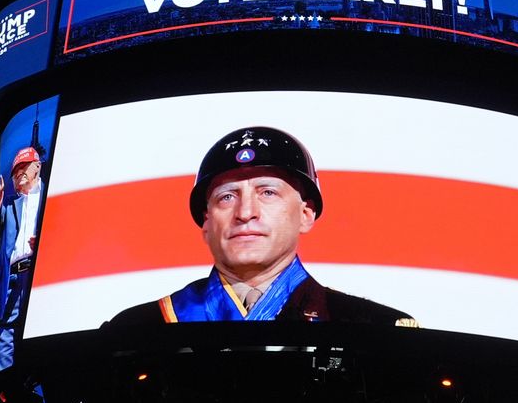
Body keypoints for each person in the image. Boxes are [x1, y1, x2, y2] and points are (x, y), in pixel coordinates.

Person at [106, 126, 414, 326]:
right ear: (206, 223)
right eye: (226, 197)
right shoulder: (136, 329)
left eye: (268, 192)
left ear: (306, 214)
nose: (246, 212)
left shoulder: (374, 329)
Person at [0, 145, 44, 369]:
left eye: (25, 166)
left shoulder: (51, 197)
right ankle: (6, 381)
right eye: (15, 170)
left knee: (42, 327)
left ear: (38, 167)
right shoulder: (9, 206)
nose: (19, 172)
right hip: (14, 277)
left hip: (41, 272)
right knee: (4, 328)